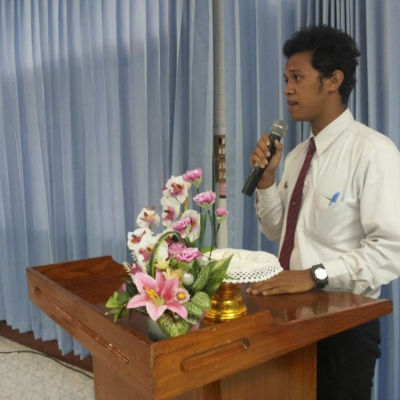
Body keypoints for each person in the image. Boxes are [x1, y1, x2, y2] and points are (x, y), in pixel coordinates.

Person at [246, 25, 400, 400]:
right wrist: (266, 181)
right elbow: (276, 230)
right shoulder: (297, 156)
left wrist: (314, 275)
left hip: (342, 329)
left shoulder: (373, 152)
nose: (288, 89)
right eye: (286, 79)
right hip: (288, 319)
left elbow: (390, 250)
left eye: (297, 78)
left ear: (333, 80)